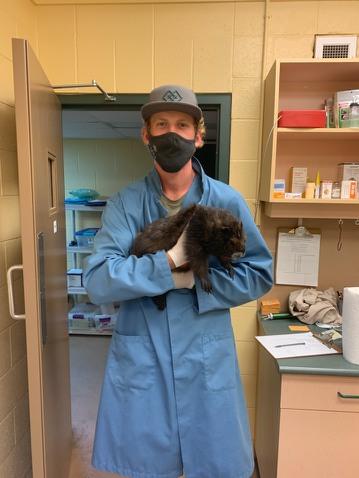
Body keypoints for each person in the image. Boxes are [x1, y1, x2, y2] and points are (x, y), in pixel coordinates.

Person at [83, 84, 273, 478]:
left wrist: (193, 285)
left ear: (198, 136)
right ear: (146, 135)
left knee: (213, 466)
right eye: (161, 124)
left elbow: (258, 273)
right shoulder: (125, 204)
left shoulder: (227, 201)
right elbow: (99, 280)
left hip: (207, 361)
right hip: (144, 360)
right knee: (148, 467)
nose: (172, 133)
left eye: (183, 124)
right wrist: (168, 264)